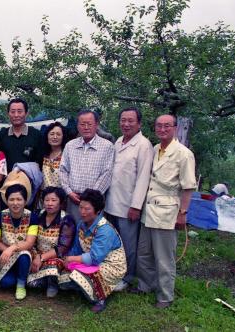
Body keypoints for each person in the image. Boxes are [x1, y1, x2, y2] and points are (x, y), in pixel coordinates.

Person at [134, 114, 197, 309]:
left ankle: (165, 295)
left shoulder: (183, 153)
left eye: (167, 126)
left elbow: (188, 187)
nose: (162, 129)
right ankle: (145, 285)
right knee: (144, 252)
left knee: (164, 257)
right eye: (159, 126)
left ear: (175, 128)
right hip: (149, 207)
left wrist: (183, 213)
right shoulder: (154, 149)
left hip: (168, 210)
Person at [104, 107, 154, 291]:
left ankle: (127, 277)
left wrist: (136, 206)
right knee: (113, 243)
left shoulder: (143, 145)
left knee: (128, 245)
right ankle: (113, 272)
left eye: (130, 121)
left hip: (128, 206)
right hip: (111, 203)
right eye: (123, 120)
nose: (126, 124)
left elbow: (143, 178)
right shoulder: (118, 142)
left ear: (139, 123)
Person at [59, 189, 127, 313]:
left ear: (98, 210)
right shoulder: (81, 224)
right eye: (81, 208)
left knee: (81, 276)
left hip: (110, 266)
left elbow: (95, 258)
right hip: (91, 262)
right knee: (63, 278)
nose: (82, 212)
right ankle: (87, 287)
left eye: (87, 209)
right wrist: (68, 260)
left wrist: (72, 259)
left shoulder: (104, 229)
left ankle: (100, 298)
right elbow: (76, 248)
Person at [59, 109, 115, 222]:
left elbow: (107, 173)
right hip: (73, 199)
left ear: (96, 125)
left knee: (92, 233)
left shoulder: (107, 146)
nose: (86, 127)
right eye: (82, 124)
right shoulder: (70, 145)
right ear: (78, 126)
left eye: (89, 124)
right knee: (72, 231)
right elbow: (63, 170)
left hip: (94, 201)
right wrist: (69, 191)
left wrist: (90, 197)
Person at [27, 187, 76, 298]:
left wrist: (42, 257)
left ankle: (52, 284)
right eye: (47, 200)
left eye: (54, 200)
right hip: (37, 253)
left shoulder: (67, 219)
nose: (49, 204)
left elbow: (63, 247)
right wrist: (36, 255)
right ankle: (41, 279)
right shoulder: (37, 214)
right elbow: (31, 237)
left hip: (56, 256)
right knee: (30, 279)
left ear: (61, 202)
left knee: (53, 267)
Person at [0, 184, 38, 300]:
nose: (15, 203)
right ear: (7, 201)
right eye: (12, 199)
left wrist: (12, 248)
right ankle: (21, 277)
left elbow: (29, 243)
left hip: (24, 253)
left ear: (25, 201)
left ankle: (21, 284)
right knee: (5, 283)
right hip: (6, 255)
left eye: (19, 199)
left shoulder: (32, 217)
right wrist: (7, 251)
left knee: (23, 255)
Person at [0, 98, 43, 172]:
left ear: (26, 113)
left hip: (29, 181)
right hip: (6, 181)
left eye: (19, 111)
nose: (16, 115)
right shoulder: (1, 135)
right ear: (8, 114)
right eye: (13, 112)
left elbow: (40, 161)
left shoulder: (36, 135)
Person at [41, 122, 67, 189]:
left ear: (63, 137)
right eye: (52, 134)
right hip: (44, 197)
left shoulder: (66, 156)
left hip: (61, 197)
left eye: (58, 134)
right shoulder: (43, 155)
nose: (55, 137)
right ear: (47, 136)